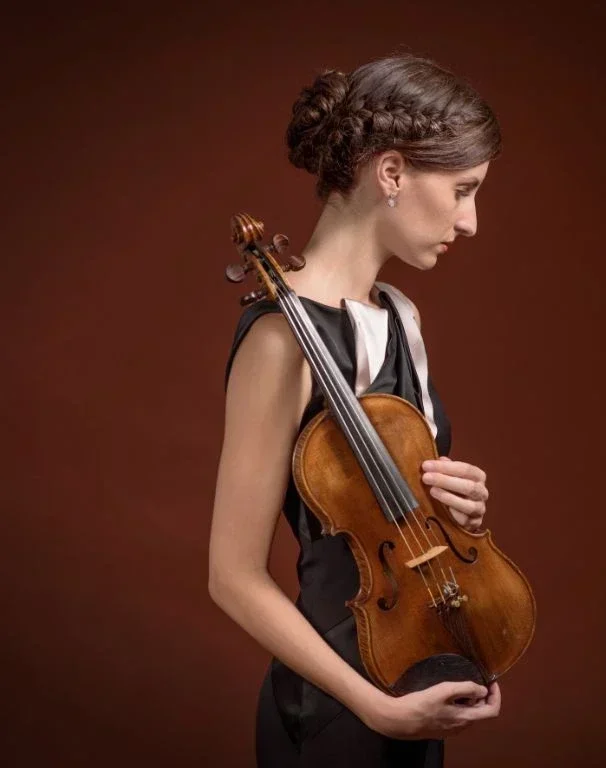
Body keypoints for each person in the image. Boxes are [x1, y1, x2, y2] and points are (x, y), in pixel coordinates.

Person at [209, 53, 501, 766]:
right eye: (462, 190)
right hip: (335, 706)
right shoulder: (279, 341)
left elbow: (391, 523)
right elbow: (232, 577)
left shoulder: (402, 317)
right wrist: (376, 708)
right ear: (391, 173)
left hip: (420, 670)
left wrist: (458, 509)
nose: (470, 222)